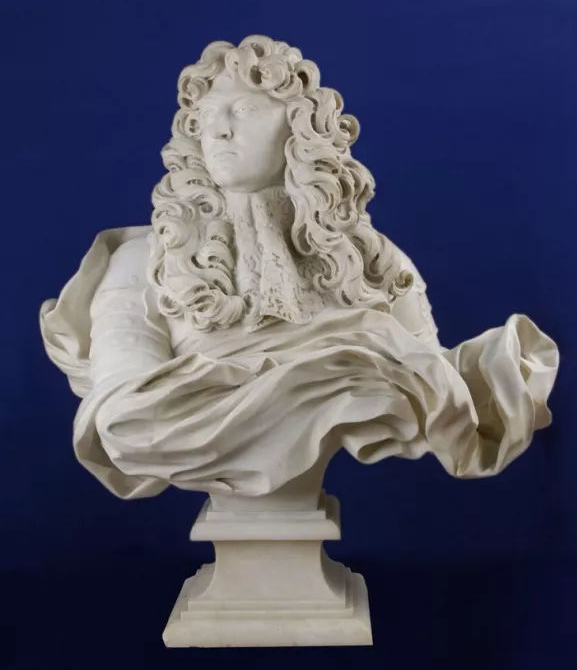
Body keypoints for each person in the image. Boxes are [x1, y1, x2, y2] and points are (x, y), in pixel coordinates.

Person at [40, 35, 559, 500]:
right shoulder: (143, 265)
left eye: (244, 109)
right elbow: (127, 418)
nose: (219, 130)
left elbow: (434, 376)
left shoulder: (375, 264)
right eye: (208, 115)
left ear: (299, 127)